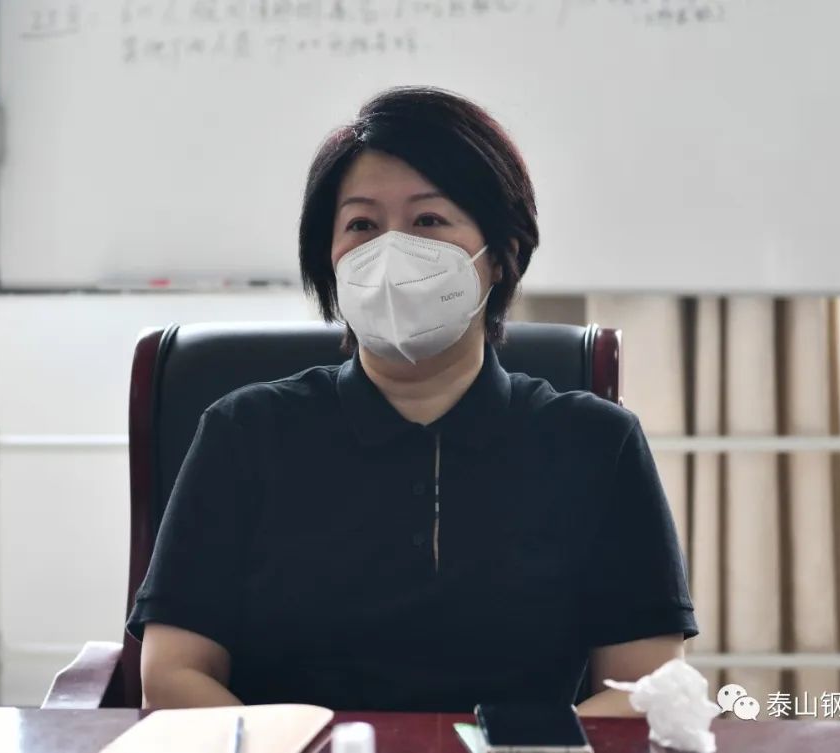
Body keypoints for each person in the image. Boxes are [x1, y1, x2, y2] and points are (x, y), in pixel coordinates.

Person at [126, 86, 697, 715]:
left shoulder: (594, 443)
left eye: (428, 221)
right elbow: (173, 675)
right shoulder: (245, 431)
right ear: (329, 259)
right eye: (362, 225)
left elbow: (642, 691)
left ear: (501, 255)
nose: (390, 251)